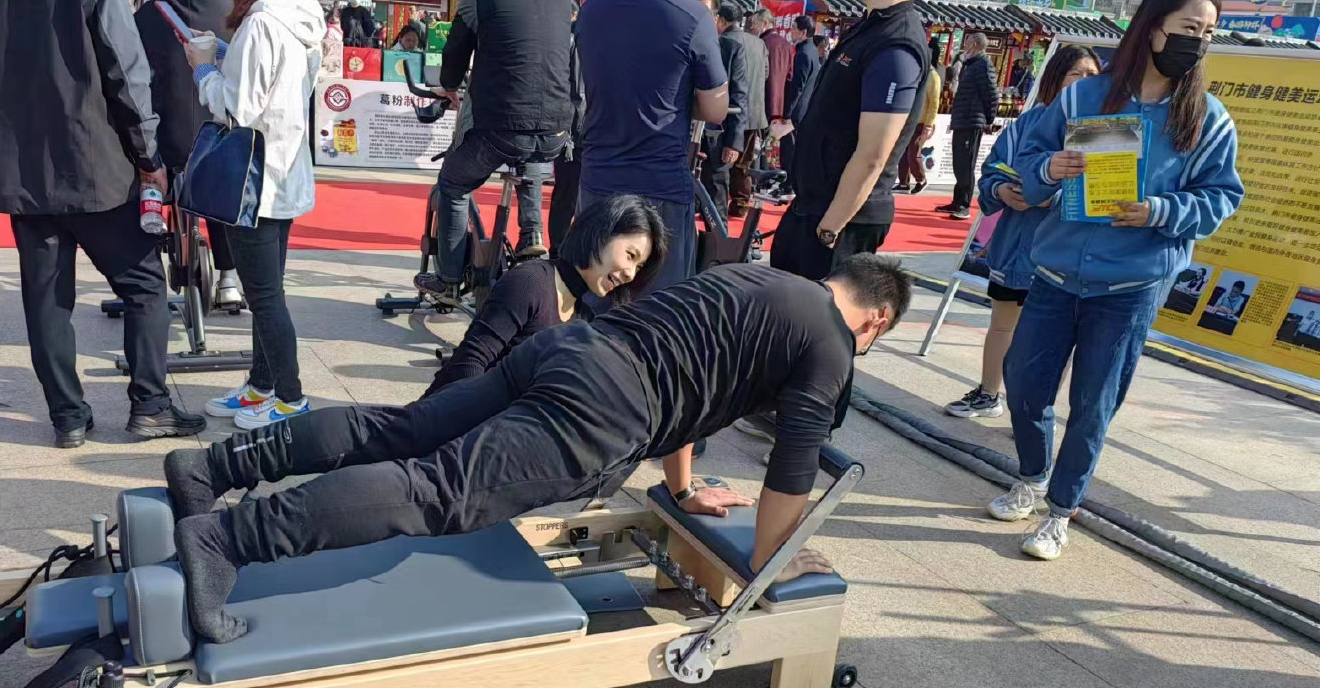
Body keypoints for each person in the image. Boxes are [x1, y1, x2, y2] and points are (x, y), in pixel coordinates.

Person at [163, 255, 913, 644]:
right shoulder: (830, 343)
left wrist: (684, 490)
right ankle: (227, 539)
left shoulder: (764, 280)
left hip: (571, 348)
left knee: (403, 429)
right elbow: (791, 468)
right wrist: (776, 558)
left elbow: (696, 379)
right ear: (876, 320)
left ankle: (211, 467)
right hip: (604, 405)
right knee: (436, 490)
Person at [991, 0, 1243, 561]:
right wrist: (1050, 169)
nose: (1199, 42)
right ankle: (1032, 476)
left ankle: (1060, 511)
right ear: (1153, 28)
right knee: (1024, 387)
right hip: (1055, 276)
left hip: (1130, 287)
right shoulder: (1083, 98)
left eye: (1208, 33)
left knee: (1093, 405)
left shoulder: (1206, 119)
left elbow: (1221, 197)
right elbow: (1026, 161)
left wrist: (1159, 211)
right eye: (1189, 28)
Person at [0, 0, 203, 448]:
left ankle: (67, 417)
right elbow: (128, 81)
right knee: (143, 286)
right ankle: (149, 406)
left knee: (46, 299)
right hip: (97, 169)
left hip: (20, 175)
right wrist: (150, 159)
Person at [185, 0, 325, 429]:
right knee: (269, 292)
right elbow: (279, 81)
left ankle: (289, 398)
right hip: (283, 174)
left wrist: (203, 68)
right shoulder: (301, 11)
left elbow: (237, 108)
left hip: (254, 181)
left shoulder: (261, 23)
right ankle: (261, 387)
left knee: (264, 298)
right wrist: (224, 54)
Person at [575, 0, 727, 291]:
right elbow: (716, 109)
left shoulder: (591, 11)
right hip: (661, 187)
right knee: (663, 312)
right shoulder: (693, 17)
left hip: (600, 180)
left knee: (595, 302)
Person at [768, 0, 933, 281]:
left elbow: (873, 154)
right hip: (813, 205)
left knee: (819, 315)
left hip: (841, 221)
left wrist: (829, 228)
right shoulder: (871, 27)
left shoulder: (896, 44)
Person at [415, 0, 572, 297]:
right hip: (556, 131)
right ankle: (531, 235)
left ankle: (449, 280)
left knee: (453, 185)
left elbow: (456, 50)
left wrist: (449, 87)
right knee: (529, 154)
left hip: (501, 127)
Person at [943, 45, 1101, 419]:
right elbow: (993, 170)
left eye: (1092, 76)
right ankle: (988, 393)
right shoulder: (1029, 122)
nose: (1084, 82)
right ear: (1056, 77)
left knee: (1055, 340)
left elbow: (1103, 192)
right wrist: (1002, 190)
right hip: (1017, 247)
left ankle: (1035, 413)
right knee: (1003, 325)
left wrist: (1049, 196)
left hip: (1065, 253)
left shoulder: (1102, 131)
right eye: (1076, 73)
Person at [426, 194, 667, 394]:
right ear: (601, 234)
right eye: (630, 256)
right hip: (445, 424)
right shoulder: (530, 282)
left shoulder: (584, 318)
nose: (630, 274)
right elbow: (468, 365)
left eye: (639, 267)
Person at [133, 0, 242, 310]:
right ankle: (229, 280)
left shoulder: (149, 14)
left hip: (165, 134)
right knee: (220, 193)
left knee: (145, 183)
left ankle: (143, 279)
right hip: (218, 130)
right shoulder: (235, 13)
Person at [548, 0, 611, 253]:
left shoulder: (616, 39)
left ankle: (592, 252)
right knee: (567, 194)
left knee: (600, 198)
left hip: (604, 131)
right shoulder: (566, 36)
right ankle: (558, 251)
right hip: (572, 130)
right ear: (583, 0)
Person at [694, 0, 749, 217]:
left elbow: (739, 97)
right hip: (679, 137)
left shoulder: (731, 49)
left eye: (706, 13)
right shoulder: (676, 45)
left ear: (716, 18)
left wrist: (734, 142)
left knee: (716, 200)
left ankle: (717, 239)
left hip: (715, 136)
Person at [940, 31, 998, 218]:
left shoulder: (983, 64)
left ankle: (964, 204)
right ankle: (956, 201)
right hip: (962, 119)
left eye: (967, 41)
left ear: (974, 44)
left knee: (966, 164)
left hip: (972, 120)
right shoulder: (969, 64)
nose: (964, 45)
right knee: (959, 163)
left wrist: (989, 119)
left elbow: (991, 94)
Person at [729, 3, 769, 214]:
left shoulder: (728, 40)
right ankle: (741, 202)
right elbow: (766, 74)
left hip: (731, 109)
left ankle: (720, 202)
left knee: (722, 160)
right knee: (744, 161)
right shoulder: (760, 44)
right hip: (754, 111)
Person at [896, 39, 942, 193]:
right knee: (903, 152)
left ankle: (921, 179)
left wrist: (928, 124)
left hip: (922, 122)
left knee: (913, 152)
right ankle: (903, 182)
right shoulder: (918, 73)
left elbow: (934, 103)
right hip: (911, 119)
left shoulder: (933, 77)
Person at [779, 13, 821, 175]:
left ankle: (788, 181)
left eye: (794, 28)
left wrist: (788, 112)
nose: (791, 31)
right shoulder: (812, 50)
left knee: (789, 149)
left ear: (803, 32)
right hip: (805, 107)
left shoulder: (803, 54)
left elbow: (798, 86)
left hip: (797, 110)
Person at [751, 8, 793, 142]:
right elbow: (790, 76)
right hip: (780, 105)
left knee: (757, 144)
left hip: (761, 102)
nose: (752, 27)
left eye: (755, 23)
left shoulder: (761, 43)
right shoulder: (787, 45)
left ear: (764, 23)